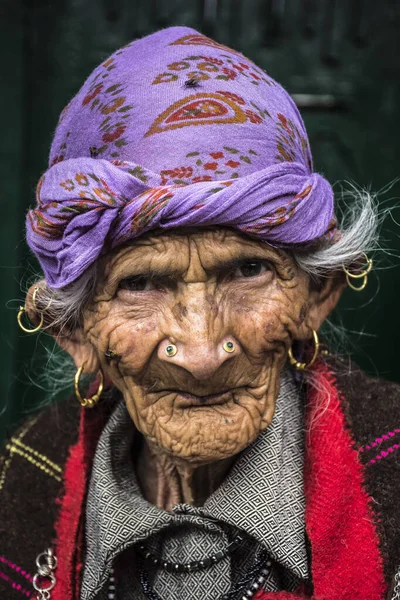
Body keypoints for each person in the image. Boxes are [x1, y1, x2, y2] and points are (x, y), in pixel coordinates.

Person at [1, 26, 399, 600]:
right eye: (139, 283)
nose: (203, 352)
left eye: (246, 271)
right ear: (75, 331)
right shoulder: (21, 482)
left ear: (316, 296)